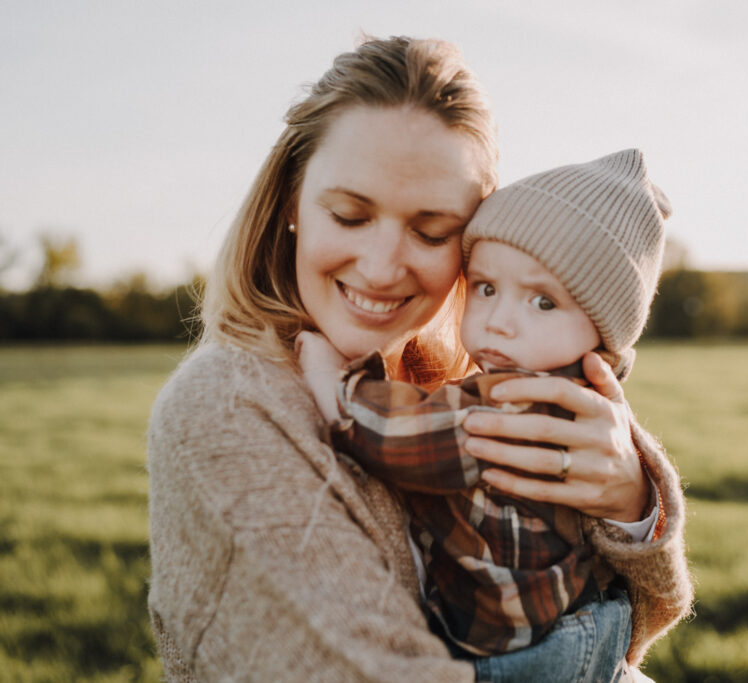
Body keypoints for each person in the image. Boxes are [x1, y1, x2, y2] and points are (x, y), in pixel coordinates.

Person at [147, 35, 693, 682]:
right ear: (291, 202)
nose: (381, 268)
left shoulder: (454, 378)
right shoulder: (228, 404)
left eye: (431, 231)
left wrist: (630, 501)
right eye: (350, 215)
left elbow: (634, 627)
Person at [297, 149, 672, 682]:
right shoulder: (582, 400)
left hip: (525, 659)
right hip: (577, 633)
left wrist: (334, 383)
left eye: (542, 303)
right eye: (487, 289)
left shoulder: (520, 399)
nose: (499, 322)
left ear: (603, 332)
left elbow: (398, 435)